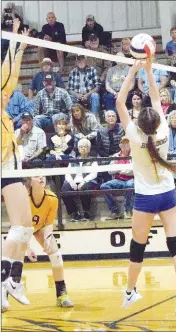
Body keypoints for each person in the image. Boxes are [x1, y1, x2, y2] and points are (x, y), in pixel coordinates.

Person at [116, 58, 176, 316]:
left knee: (137, 247)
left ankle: (130, 291)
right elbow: (156, 98)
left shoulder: (134, 134)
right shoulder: (164, 129)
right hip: (167, 194)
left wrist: (132, 71)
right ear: (157, 120)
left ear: (139, 123)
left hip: (145, 199)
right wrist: (148, 70)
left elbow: (119, 102)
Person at [1, 19, 34, 312]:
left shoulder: (3, 105)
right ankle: (4, 280)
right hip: (4, 169)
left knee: (24, 227)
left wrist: (20, 46)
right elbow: (7, 74)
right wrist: (12, 40)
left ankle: (11, 280)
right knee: (20, 227)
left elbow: (10, 79)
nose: (8, 93)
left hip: (12, 166)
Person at [25, 176, 74, 307]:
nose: (41, 177)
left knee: (56, 255)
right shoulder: (23, 198)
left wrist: (47, 240)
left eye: (43, 175)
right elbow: (20, 225)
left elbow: (48, 224)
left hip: (40, 227)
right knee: (14, 259)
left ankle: (62, 294)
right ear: (30, 181)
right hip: (22, 229)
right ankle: (3, 295)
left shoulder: (52, 199)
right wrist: (27, 247)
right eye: (36, 176)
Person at [62, 138, 99, 222]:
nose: (83, 148)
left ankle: (86, 212)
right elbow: (67, 173)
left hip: (88, 181)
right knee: (64, 190)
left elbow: (94, 174)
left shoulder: (93, 160)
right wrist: (71, 182)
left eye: (85, 147)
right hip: (73, 181)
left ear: (89, 149)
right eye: (81, 147)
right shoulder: (73, 160)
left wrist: (84, 181)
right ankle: (74, 212)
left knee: (85, 188)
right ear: (78, 149)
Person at [101, 136, 134, 220]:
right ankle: (114, 210)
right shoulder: (116, 156)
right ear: (120, 145)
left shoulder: (134, 155)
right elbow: (110, 171)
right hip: (118, 180)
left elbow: (133, 171)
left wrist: (118, 169)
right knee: (104, 186)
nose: (125, 145)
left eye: (127, 143)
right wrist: (124, 169)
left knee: (129, 186)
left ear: (130, 145)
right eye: (123, 144)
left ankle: (128, 211)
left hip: (131, 179)